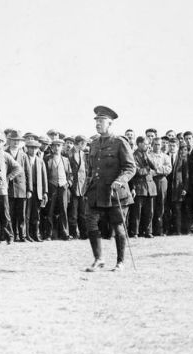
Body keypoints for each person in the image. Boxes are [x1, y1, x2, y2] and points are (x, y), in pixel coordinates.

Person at [84, 106, 135, 272]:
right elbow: (91, 169)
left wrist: (120, 181)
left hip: (115, 193)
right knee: (91, 222)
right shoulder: (93, 143)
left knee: (118, 226)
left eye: (101, 121)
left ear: (110, 123)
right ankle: (98, 259)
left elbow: (130, 167)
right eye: (96, 121)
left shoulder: (120, 142)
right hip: (96, 192)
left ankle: (120, 262)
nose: (98, 124)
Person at [0, 130, 21, 244]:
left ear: (3, 143)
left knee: (5, 214)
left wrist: (8, 178)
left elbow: (18, 168)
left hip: (2, 190)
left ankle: (9, 236)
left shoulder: (6, 155)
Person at [5, 130, 31, 242]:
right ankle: (12, 234)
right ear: (9, 141)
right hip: (9, 188)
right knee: (10, 213)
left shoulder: (24, 155)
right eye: (14, 140)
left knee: (21, 214)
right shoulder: (4, 153)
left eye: (18, 141)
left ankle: (22, 235)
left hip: (21, 189)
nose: (16, 143)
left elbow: (28, 173)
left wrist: (29, 189)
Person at [44, 138, 72, 240]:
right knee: (50, 210)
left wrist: (68, 183)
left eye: (59, 146)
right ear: (51, 147)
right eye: (54, 146)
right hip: (52, 186)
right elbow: (44, 175)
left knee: (63, 210)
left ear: (62, 147)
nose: (56, 148)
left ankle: (65, 233)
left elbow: (70, 175)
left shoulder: (65, 160)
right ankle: (49, 234)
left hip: (63, 187)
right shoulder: (47, 158)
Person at [128, 136, 156, 238]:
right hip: (139, 186)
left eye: (148, 144)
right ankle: (135, 232)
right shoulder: (133, 156)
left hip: (150, 187)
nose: (147, 146)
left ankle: (148, 231)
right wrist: (148, 169)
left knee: (150, 211)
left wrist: (147, 157)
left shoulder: (147, 155)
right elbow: (138, 171)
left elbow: (155, 167)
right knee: (137, 212)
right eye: (145, 144)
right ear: (139, 144)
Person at [24, 139, 48, 242]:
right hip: (27, 190)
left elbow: (44, 178)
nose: (33, 150)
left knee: (36, 214)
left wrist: (45, 192)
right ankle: (27, 235)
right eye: (31, 148)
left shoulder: (40, 161)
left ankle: (36, 234)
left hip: (38, 190)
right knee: (27, 214)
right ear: (27, 148)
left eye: (35, 148)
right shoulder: (24, 159)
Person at [147, 137, 172, 236]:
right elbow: (148, 169)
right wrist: (157, 170)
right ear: (152, 145)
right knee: (151, 205)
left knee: (161, 205)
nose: (157, 146)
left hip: (162, 181)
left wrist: (157, 170)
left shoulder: (165, 157)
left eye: (159, 144)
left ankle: (160, 230)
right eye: (155, 144)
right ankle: (149, 230)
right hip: (151, 181)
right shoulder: (148, 156)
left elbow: (168, 169)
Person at [67, 135, 88, 239]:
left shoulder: (84, 154)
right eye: (84, 144)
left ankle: (83, 234)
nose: (85, 146)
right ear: (80, 143)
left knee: (82, 212)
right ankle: (73, 233)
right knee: (73, 213)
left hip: (82, 187)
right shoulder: (69, 154)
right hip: (73, 187)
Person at [169, 145, 189, 235]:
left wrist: (185, 188)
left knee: (178, 209)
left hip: (178, 188)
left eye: (174, 146)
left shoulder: (182, 159)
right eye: (170, 145)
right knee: (169, 209)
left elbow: (186, 175)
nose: (172, 147)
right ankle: (170, 229)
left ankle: (178, 230)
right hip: (168, 188)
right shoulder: (166, 156)